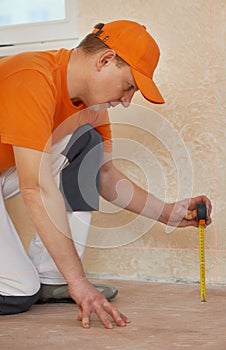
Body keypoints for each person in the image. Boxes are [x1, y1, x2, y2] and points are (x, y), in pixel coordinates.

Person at [0, 20, 212, 328]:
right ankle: (57, 281)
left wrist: (168, 213)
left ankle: (51, 276)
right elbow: (36, 187)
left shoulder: (91, 107)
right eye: (128, 87)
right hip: (21, 176)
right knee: (17, 293)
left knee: (89, 144)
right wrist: (80, 280)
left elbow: (105, 176)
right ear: (105, 60)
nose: (127, 101)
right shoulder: (33, 77)